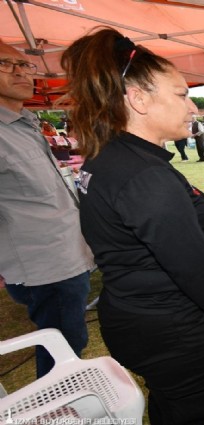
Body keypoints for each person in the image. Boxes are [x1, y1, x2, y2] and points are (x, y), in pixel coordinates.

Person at [62, 28, 204, 424]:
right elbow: (190, 265)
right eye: (180, 94)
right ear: (138, 99)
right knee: (188, 412)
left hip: (135, 317)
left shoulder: (110, 157)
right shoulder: (144, 175)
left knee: (167, 403)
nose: (192, 107)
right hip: (170, 329)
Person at [0, 40, 94, 379]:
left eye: (24, 65)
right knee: (62, 349)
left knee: (68, 341)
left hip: (66, 253)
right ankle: (58, 410)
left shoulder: (24, 122)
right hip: (43, 264)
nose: (21, 72)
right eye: (6, 64)